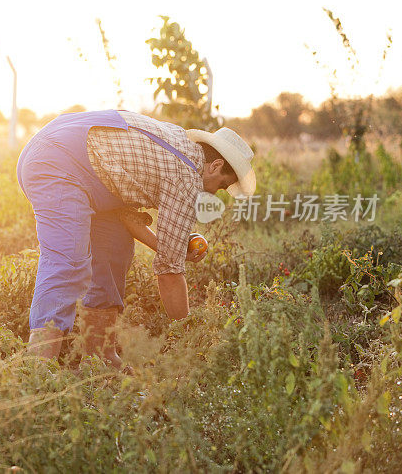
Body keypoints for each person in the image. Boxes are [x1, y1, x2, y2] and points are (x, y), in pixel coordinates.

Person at [16, 109, 256, 368]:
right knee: (68, 263)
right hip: (59, 162)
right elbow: (169, 273)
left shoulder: (181, 146)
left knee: (114, 251)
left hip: (81, 162)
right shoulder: (188, 176)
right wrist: (191, 338)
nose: (215, 192)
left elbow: (128, 219)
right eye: (221, 185)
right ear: (216, 165)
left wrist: (171, 247)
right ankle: (37, 368)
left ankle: (100, 359)